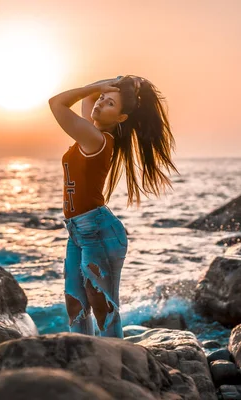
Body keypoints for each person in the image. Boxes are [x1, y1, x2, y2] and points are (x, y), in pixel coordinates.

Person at [48, 75, 179, 338]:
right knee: (75, 303)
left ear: (120, 119)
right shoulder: (89, 131)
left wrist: (98, 88)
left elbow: (57, 104)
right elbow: (87, 98)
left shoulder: (96, 140)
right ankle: (81, 360)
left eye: (109, 104)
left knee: (103, 307)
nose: (99, 103)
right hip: (77, 232)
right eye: (102, 100)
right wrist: (113, 83)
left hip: (99, 231)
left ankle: (115, 367)